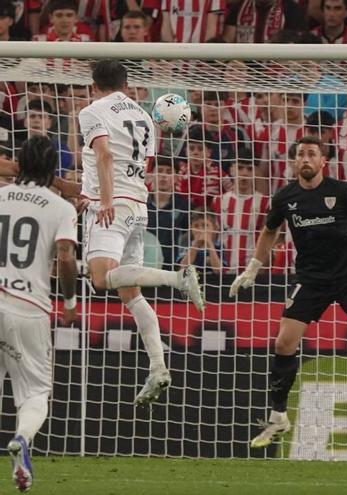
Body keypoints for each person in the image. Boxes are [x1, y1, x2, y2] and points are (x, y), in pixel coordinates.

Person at [229, 135, 347, 452]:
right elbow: (269, 230)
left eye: (311, 154)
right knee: (283, 342)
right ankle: (278, 417)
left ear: (322, 161)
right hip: (311, 277)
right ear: (294, 161)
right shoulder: (286, 197)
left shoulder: (341, 192)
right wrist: (253, 268)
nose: (305, 159)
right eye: (300, 154)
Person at [78, 60, 204, 406]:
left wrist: (103, 200)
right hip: (138, 205)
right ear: (126, 83)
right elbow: (143, 166)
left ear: (93, 83)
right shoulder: (146, 116)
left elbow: (104, 154)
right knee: (130, 292)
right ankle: (158, 368)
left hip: (112, 206)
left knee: (101, 279)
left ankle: (177, 279)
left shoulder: (91, 111)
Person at [0, 136, 78, 492]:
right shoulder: (61, 208)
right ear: (53, 170)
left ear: (19, 163)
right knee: (35, 393)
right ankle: (22, 438)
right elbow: (64, 257)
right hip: (28, 308)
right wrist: (71, 302)